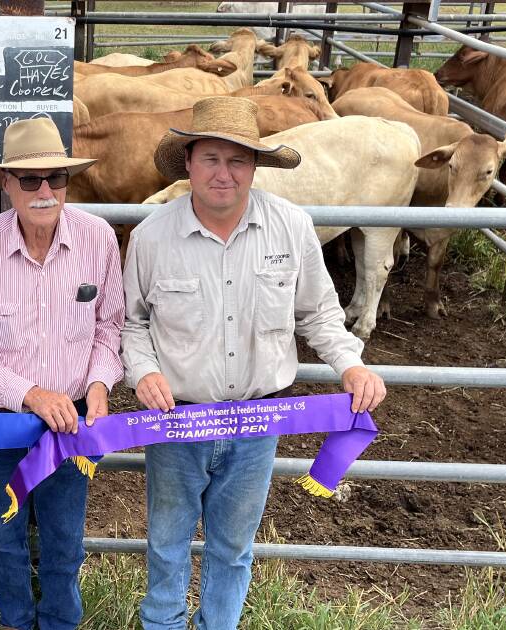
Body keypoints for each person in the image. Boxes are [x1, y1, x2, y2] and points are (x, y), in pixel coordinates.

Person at [122, 97, 387, 629]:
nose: (224, 174)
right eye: (211, 159)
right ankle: (164, 624)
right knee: (167, 542)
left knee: (234, 547)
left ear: (255, 166)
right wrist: (144, 371)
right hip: (178, 420)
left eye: (238, 160)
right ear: (190, 164)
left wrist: (350, 365)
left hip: (258, 420)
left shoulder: (290, 227)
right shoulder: (152, 236)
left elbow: (318, 313)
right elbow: (132, 324)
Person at [0, 117, 124, 630]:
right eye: (29, 180)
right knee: (5, 534)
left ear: (68, 181)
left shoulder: (98, 238)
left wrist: (99, 385)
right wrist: (29, 394)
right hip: (2, 421)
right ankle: (17, 621)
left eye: (56, 179)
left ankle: (61, 621)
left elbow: (110, 326)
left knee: (66, 537)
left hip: (72, 418)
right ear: (7, 184)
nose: (45, 191)